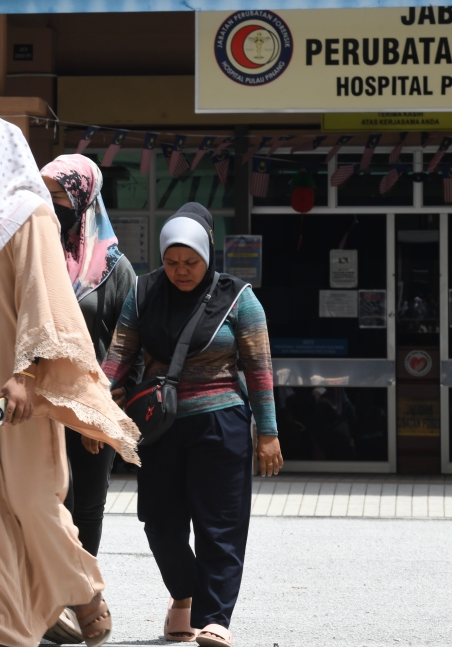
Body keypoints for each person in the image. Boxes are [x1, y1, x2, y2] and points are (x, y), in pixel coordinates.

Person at [0, 112, 141, 647]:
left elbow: (42, 300)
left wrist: (25, 374)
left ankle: (84, 589)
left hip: (10, 392)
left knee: (31, 499)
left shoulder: (28, 215)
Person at [101, 202, 282, 647]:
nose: (181, 270)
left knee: (219, 524)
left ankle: (215, 618)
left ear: (208, 254)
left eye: (191, 262)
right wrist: (100, 419)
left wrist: (269, 432)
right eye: (171, 261)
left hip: (222, 425)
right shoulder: (143, 293)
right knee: (159, 523)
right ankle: (183, 597)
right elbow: (117, 361)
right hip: (160, 428)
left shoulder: (239, 298)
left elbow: (259, 370)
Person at [39, 154, 141, 557]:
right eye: (44, 194)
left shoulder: (115, 270)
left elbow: (130, 342)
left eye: (59, 196)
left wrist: (104, 407)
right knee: (42, 504)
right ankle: (46, 603)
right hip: (37, 402)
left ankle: (82, 600)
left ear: (84, 199)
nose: (50, 205)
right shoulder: (33, 256)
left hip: (89, 410)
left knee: (86, 507)